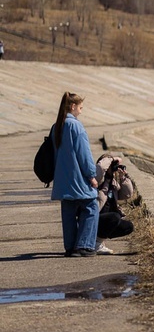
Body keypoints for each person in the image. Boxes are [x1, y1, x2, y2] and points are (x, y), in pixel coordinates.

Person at [51, 92, 99, 257]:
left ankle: (70, 247)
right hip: (77, 178)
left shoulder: (56, 126)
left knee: (69, 210)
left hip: (62, 179)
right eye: (80, 107)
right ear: (72, 106)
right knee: (91, 207)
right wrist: (92, 176)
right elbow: (84, 154)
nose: (81, 111)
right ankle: (84, 246)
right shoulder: (76, 126)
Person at [94, 155, 134, 255]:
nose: (115, 167)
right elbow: (100, 168)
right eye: (113, 165)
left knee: (128, 226)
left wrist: (123, 177)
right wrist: (111, 159)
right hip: (94, 218)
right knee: (114, 217)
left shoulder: (113, 183)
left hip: (106, 219)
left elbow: (127, 194)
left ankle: (98, 241)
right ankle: (96, 244)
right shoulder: (97, 180)